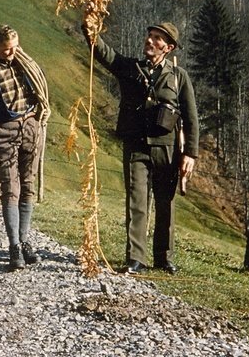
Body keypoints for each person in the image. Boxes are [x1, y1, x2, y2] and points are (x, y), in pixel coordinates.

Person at [82, 21, 199, 274]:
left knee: (165, 203)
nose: (150, 40)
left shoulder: (179, 77)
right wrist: (89, 29)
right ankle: (136, 258)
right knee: (137, 202)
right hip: (136, 147)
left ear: (168, 47)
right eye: (150, 35)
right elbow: (104, 53)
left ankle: (163, 258)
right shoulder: (130, 68)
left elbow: (191, 118)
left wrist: (190, 153)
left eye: (157, 38)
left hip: (167, 149)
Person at [0, 24, 50, 271]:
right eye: (5, 50)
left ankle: (25, 241)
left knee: (28, 185)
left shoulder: (23, 63)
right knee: (10, 188)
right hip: (3, 132)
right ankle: (14, 245)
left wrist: (37, 119)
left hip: (30, 127)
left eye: (14, 48)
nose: (11, 53)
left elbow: (36, 89)